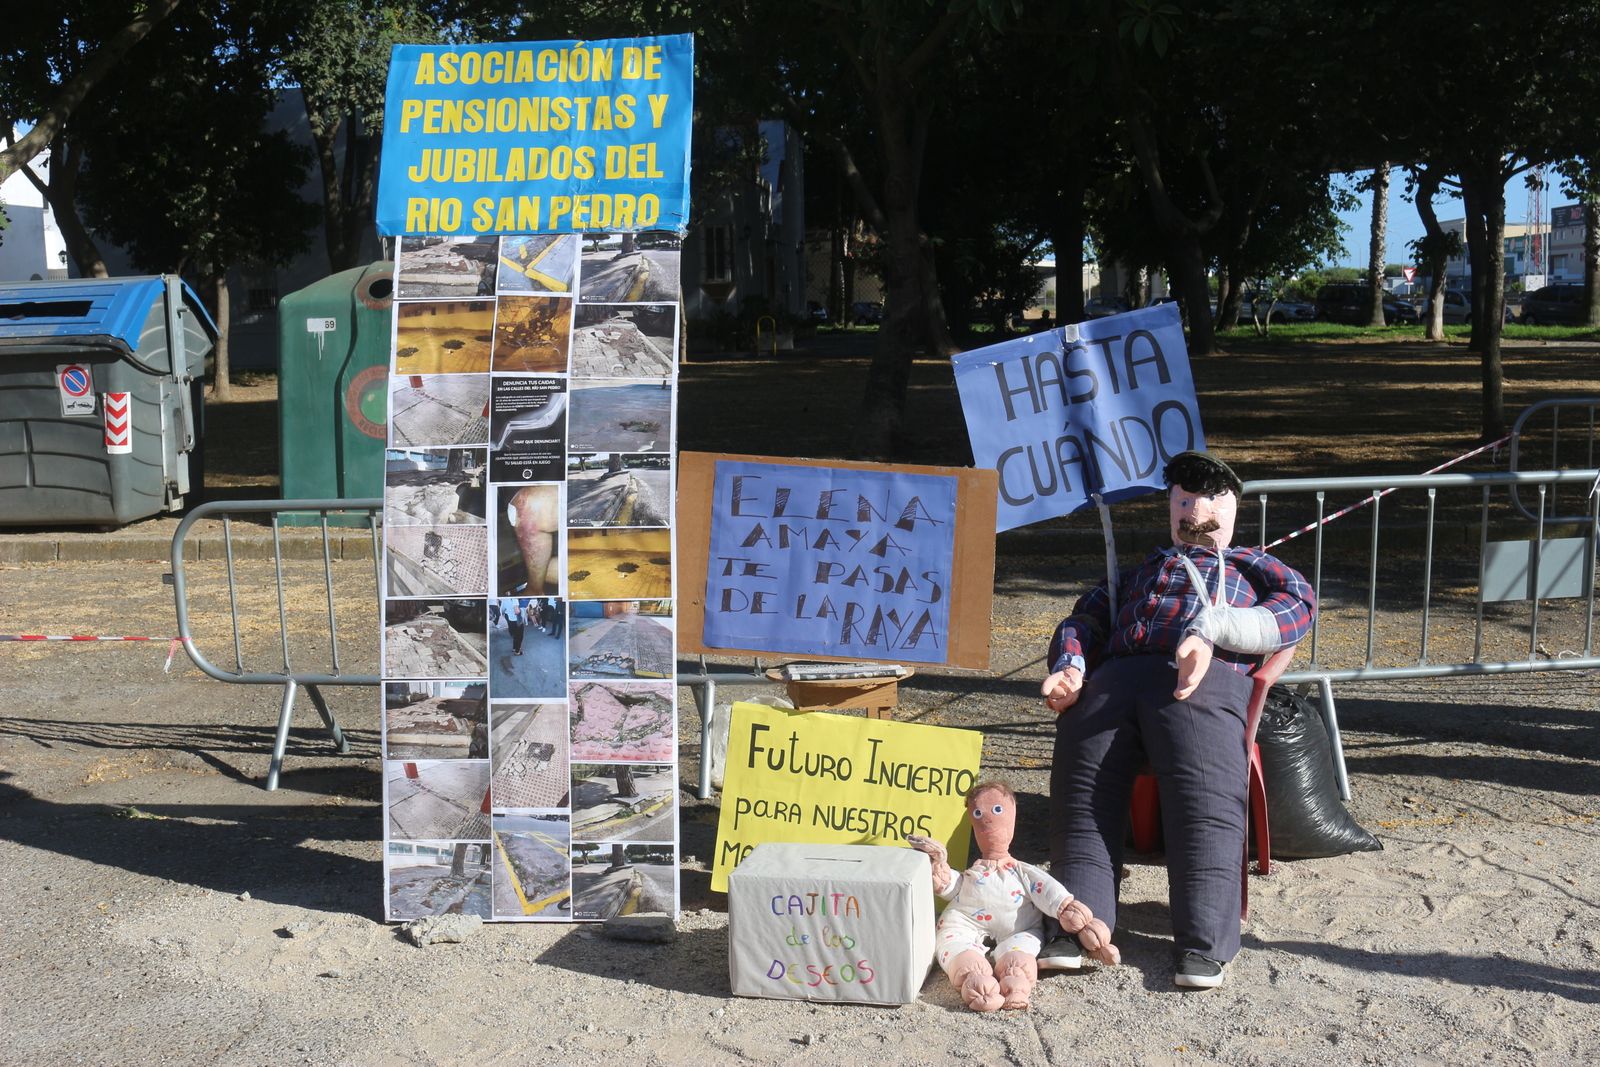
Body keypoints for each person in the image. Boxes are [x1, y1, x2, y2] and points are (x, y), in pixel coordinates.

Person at [1038, 450, 1315, 989]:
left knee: (1203, 795)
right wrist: (1070, 665)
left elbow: (1296, 608)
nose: (1194, 513)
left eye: (1207, 501)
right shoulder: (1141, 570)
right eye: (1183, 501)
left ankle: (1203, 943)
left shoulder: (1251, 564)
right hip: (1116, 678)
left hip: (1203, 680)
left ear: (1231, 508)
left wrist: (1212, 630)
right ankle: (1077, 925)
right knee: (1081, 789)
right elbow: (1085, 617)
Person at [909, 781, 1117, 1012]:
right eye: (978, 814)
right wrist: (939, 867)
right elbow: (953, 888)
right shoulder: (972, 874)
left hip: (1018, 928)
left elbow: (1047, 890)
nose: (987, 821)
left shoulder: (1022, 871)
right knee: (952, 941)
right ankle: (974, 980)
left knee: (1020, 953)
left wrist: (1071, 912)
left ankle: (1016, 982)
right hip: (966, 921)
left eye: (997, 810)